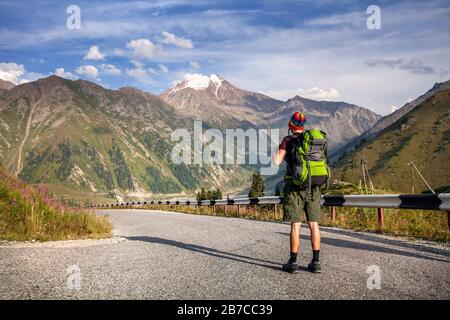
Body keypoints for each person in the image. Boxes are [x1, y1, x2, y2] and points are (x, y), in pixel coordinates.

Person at [273, 111, 322, 274]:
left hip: (295, 188)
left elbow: (277, 161)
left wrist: (279, 147)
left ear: (290, 126)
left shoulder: (288, 140)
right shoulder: (313, 140)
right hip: (313, 187)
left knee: (296, 225)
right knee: (314, 225)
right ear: (303, 126)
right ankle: (316, 263)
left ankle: (293, 262)